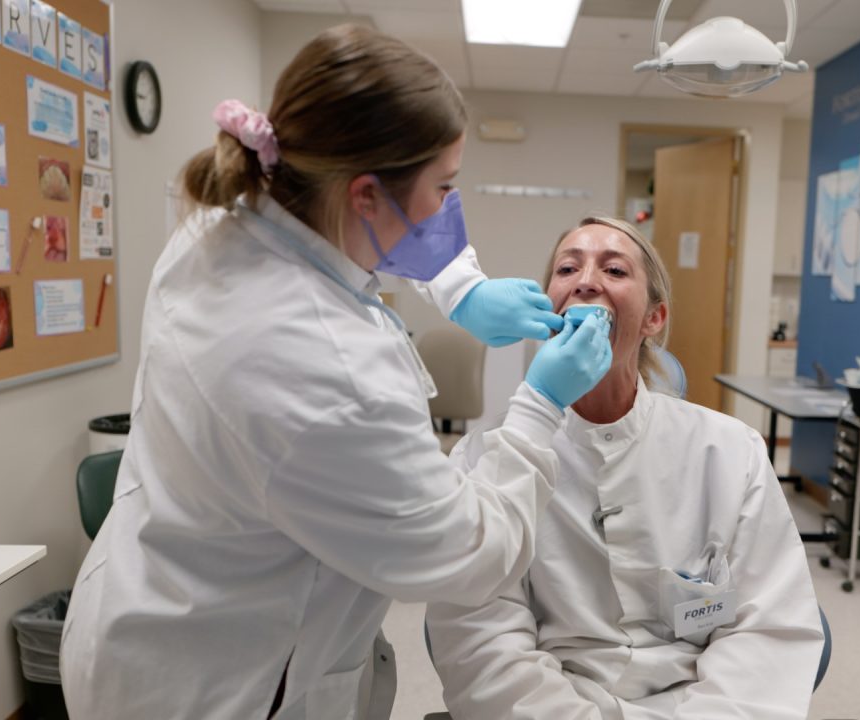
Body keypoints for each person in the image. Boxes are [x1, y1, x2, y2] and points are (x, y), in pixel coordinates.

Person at [60, 25, 612, 720]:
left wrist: (461, 288)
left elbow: (352, 246)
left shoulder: (225, 223)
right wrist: (541, 403)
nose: (448, 208)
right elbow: (468, 554)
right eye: (444, 185)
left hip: (153, 605)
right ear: (364, 194)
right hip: (219, 681)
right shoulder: (325, 370)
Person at [427, 217, 824, 720]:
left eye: (614, 269)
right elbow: (484, 644)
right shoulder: (488, 457)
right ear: (547, 308)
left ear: (654, 318)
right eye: (567, 268)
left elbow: (767, 627)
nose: (586, 281)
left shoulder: (729, 451)